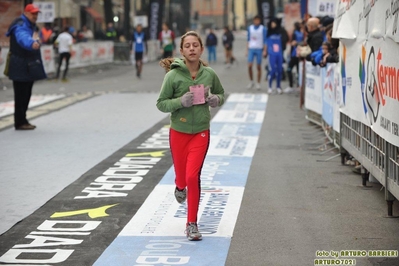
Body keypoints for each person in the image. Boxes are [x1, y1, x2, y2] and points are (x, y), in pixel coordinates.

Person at [156, 31, 225, 241]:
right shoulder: (173, 76)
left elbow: (221, 93)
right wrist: (180, 102)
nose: (192, 49)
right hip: (178, 131)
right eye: (188, 46)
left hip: (201, 132)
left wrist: (214, 99)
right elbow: (161, 103)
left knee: (193, 176)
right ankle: (179, 186)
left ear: (202, 49)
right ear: (182, 51)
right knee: (182, 177)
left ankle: (192, 224)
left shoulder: (209, 74)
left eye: (196, 45)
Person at [5, 3, 47, 130]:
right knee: (21, 95)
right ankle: (20, 122)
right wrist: (32, 44)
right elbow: (23, 37)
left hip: (26, 65)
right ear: (26, 13)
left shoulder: (31, 25)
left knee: (26, 93)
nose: (35, 16)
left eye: (36, 14)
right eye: (33, 13)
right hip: (20, 65)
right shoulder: (21, 25)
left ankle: (22, 120)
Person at [246, 15, 267, 90]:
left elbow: (265, 40)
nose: (256, 22)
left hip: (259, 48)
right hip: (251, 48)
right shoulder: (250, 28)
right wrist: (247, 50)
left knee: (258, 66)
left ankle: (258, 83)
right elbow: (248, 39)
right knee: (250, 65)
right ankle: (251, 81)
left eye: (258, 20)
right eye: (255, 20)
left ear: (260, 21)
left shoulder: (263, 29)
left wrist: (265, 50)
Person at [285, 22, 304, 93]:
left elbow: (292, 44)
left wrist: (290, 52)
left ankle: (291, 86)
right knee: (298, 71)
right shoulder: (302, 33)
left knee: (289, 70)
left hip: (295, 55)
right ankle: (298, 86)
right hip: (300, 55)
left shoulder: (295, 33)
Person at [266, 18, 284, 94]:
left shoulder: (280, 32)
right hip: (271, 54)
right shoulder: (268, 32)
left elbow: (285, 40)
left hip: (279, 54)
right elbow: (266, 43)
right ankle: (270, 87)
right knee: (272, 70)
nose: (273, 25)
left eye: (274, 23)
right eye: (272, 23)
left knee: (279, 71)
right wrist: (265, 51)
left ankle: (278, 87)